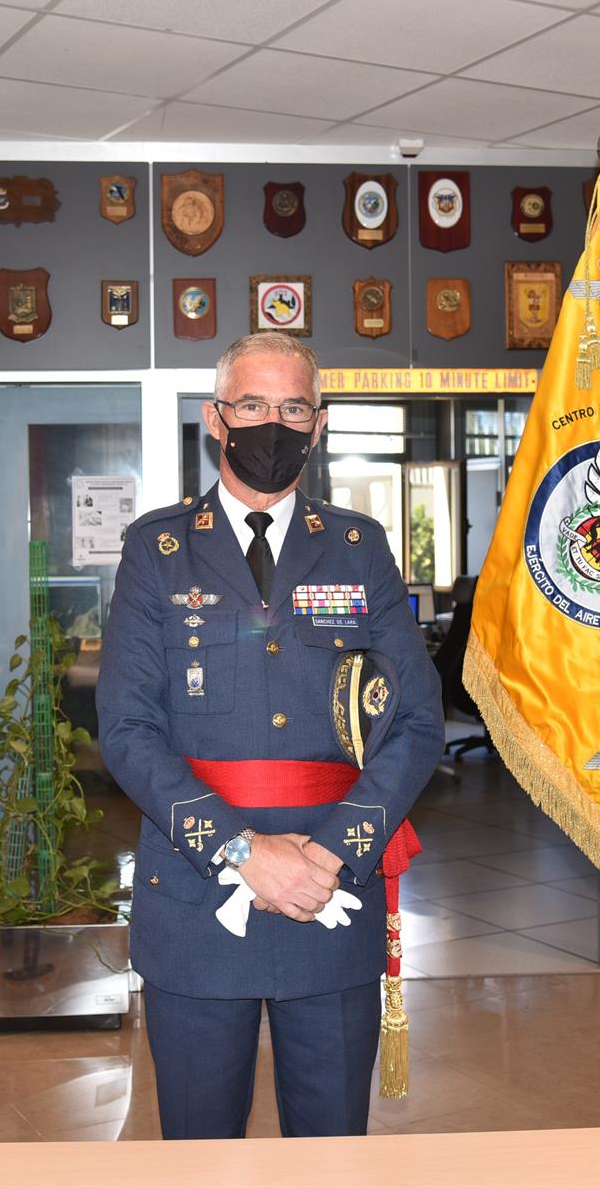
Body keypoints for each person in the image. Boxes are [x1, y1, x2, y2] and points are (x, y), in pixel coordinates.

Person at [97, 332, 443, 1139]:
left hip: (332, 896)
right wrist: (243, 850)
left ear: (317, 428)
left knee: (329, 1152)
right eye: (253, 405)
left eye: (293, 407)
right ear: (217, 420)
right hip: (194, 897)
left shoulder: (360, 548)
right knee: (201, 1150)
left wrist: (326, 856)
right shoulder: (158, 550)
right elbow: (127, 729)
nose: (273, 424)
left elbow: (416, 721)